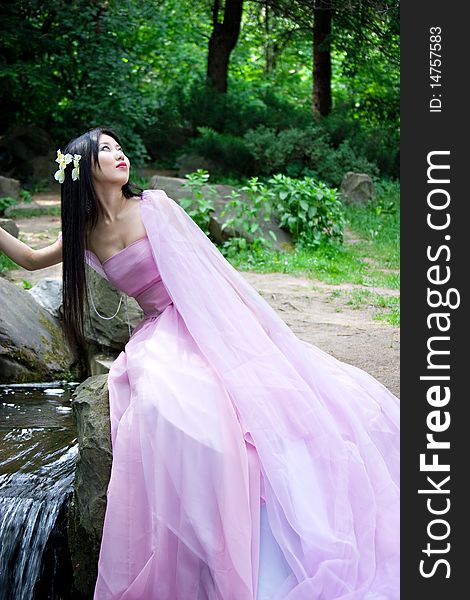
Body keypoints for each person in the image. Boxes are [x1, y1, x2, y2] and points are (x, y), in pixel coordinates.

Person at [0, 127, 399, 600]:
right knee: (166, 402)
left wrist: (244, 334)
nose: (120, 154)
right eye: (106, 150)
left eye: (120, 147)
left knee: (241, 402)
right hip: (156, 333)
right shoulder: (84, 233)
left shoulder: (154, 207)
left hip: (198, 317)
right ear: (85, 169)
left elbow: (208, 271)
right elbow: (27, 260)